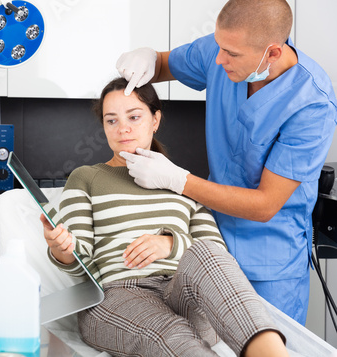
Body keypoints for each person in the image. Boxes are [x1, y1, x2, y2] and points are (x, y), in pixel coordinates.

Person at [115, 0, 337, 325]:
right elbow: (164, 64)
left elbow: (265, 205)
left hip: (270, 261)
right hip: (211, 244)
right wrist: (147, 58)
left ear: (272, 53)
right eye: (219, 46)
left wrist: (178, 180)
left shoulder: (312, 104)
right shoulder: (224, 47)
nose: (219, 60)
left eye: (231, 54)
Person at [41, 77, 288, 356]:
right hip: (117, 295)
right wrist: (61, 248)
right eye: (111, 121)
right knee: (172, 335)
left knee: (206, 254)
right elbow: (79, 262)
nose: (123, 128)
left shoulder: (181, 182)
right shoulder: (86, 178)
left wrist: (170, 244)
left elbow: (215, 255)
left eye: (134, 117)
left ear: (155, 119)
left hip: (183, 294)